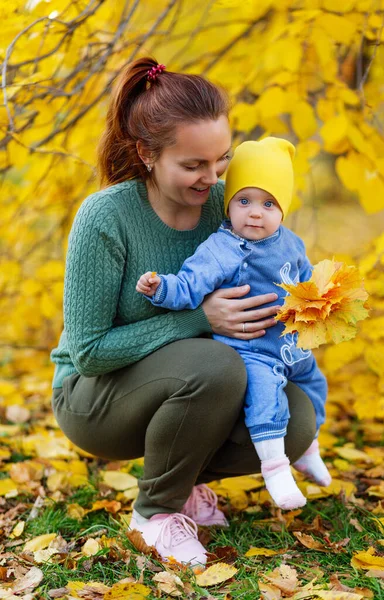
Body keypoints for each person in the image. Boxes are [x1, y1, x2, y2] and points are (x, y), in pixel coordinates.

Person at [50, 57, 317, 567]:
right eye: (193, 165)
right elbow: (87, 353)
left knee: (296, 417)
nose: (211, 178)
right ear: (146, 153)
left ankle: (182, 478)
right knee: (214, 365)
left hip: (193, 389)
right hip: (95, 398)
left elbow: (276, 273)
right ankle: (155, 515)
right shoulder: (106, 217)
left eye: (220, 161)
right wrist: (200, 318)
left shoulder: (229, 205)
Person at [136, 136, 332, 511]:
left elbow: (306, 281)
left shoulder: (290, 243)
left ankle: (308, 447)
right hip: (252, 348)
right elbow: (191, 283)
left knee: (313, 385)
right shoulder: (222, 248)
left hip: (290, 342)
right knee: (265, 398)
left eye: (268, 203)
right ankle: (275, 467)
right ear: (229, 206)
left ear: (283, 210)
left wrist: (320, 302)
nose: (255, 213)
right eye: (244, 201)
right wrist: (163, 288)